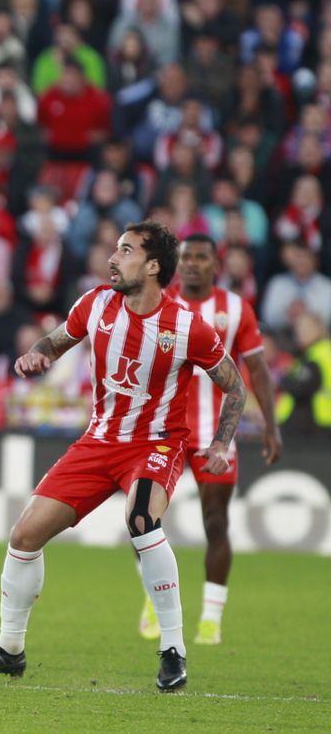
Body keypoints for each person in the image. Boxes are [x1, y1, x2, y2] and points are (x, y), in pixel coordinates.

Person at [0, 221, 249, 694]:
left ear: (153, 266)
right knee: (25, 534)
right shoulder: (94, 304)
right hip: (99, 441)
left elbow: (233, 386)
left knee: (140, 520)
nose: (113, 258)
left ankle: (173, 650)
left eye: (127, 250)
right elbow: (53, 341)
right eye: (115, 249)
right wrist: (37, 355)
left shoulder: (186, 326)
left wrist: (220, 443)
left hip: (155, 443)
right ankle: (10, 650)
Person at [135, 235, 282, 646]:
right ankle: (154, 595)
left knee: (216, 523)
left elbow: (258, 371)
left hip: (216, 434)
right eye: (186, 258)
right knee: (142, 518)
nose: (193, 264)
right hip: (161, 430)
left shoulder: (235, 309)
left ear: (216, 264)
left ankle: (211, 619)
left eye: (202, 257)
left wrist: (271, 426)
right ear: (176, 264)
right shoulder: (158, 302)